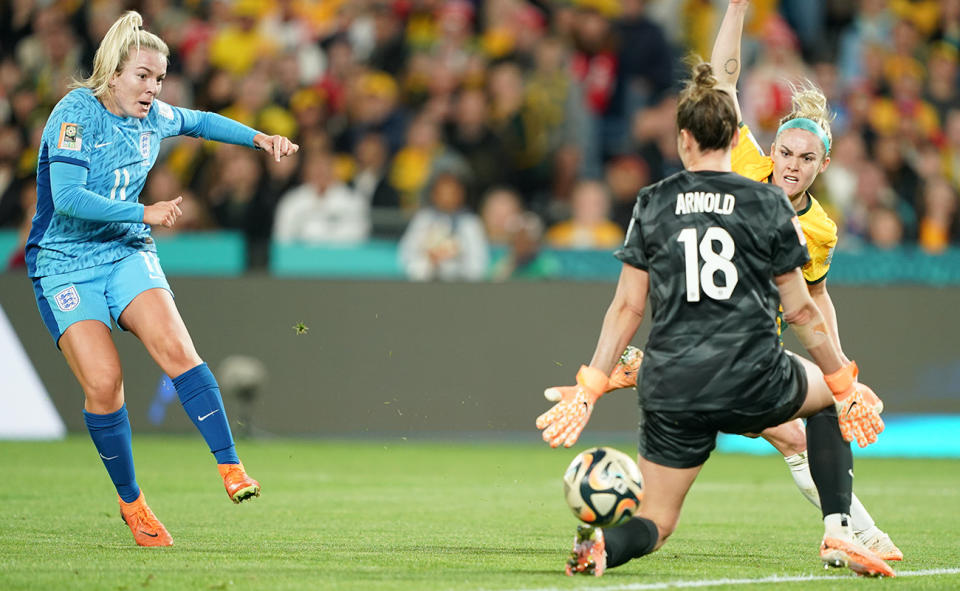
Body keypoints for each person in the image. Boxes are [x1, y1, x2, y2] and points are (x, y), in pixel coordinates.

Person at [544, 0, 901, 561]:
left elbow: (628, 304)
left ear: (822, 165)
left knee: (665, 515)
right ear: (757, 144)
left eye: (805, 157)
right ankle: (845, 527)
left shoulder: (657, 201)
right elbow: (804, 310)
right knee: (815, 412)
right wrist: (843, 376)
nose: (790, 164)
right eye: (784, 151)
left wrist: (592, 380)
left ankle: (604, 544)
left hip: (679, 366)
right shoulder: (761, 195)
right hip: (748, 360)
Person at [26, 12, 298, 547]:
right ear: (112, 74)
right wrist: (143, 212)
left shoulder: (153, 117)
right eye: (142, 76)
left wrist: (258, 138)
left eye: (159, 78)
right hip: (63, 260)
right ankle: (134, 505)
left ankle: (231, 467)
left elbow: (200, 121)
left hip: (125, 252)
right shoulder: (75, 115)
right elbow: (69, 199)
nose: (152, 89)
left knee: (177, 349)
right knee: (104, 386)